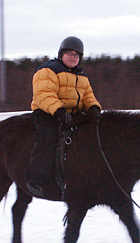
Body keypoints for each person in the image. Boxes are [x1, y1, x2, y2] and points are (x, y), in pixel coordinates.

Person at [25, 36, 102, 197]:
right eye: (69, 53)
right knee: (49, 135)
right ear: (61, 54)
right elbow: (44, 94)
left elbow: (88, 95)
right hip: (48, 112)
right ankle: (35, 177)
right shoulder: (48, 70)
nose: (73, 57)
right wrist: (59, 111)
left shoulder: (81, 75)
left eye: (76, 55)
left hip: (71, 113)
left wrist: (94, 108)